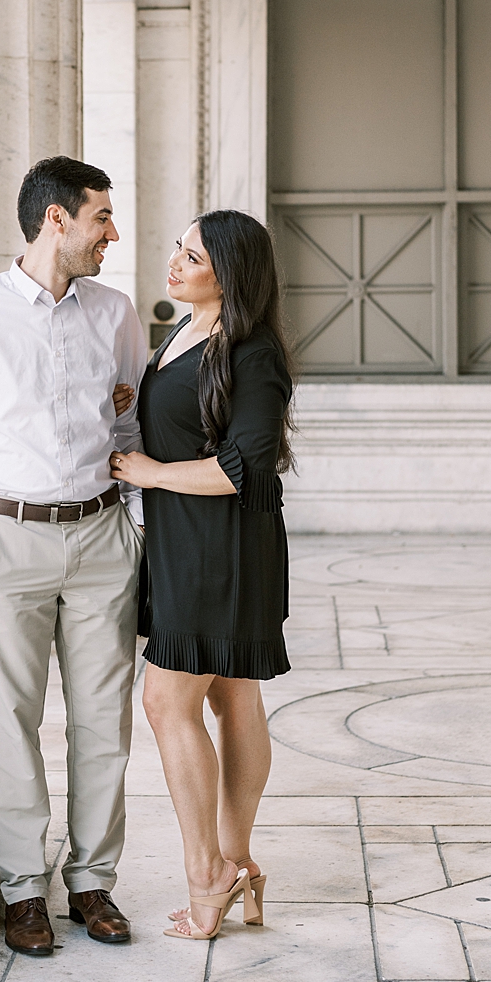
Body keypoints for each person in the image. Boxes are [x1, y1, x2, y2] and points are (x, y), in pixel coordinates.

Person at [0, 157, 151, 955]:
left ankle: (92, 882)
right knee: (10, 720)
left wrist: (136, 525)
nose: (112, 233)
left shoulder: (114, 313)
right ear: (57, 218)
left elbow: (129, 428)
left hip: (100, 536)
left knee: (102, 720)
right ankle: (22, 887)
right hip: (3, 539)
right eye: (102, 217)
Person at [109, 209, 294, 941]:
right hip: (184, 536)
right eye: (178, 248)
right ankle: (239, 858)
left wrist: (152, 470)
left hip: (222, 540)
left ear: (231, 273)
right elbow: (184, 413)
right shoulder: (184, 331)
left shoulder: (255, 352)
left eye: (194, 256)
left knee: (167, 701)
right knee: (228, 692)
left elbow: (244, 464)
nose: (176, 263)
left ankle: (206, 873)